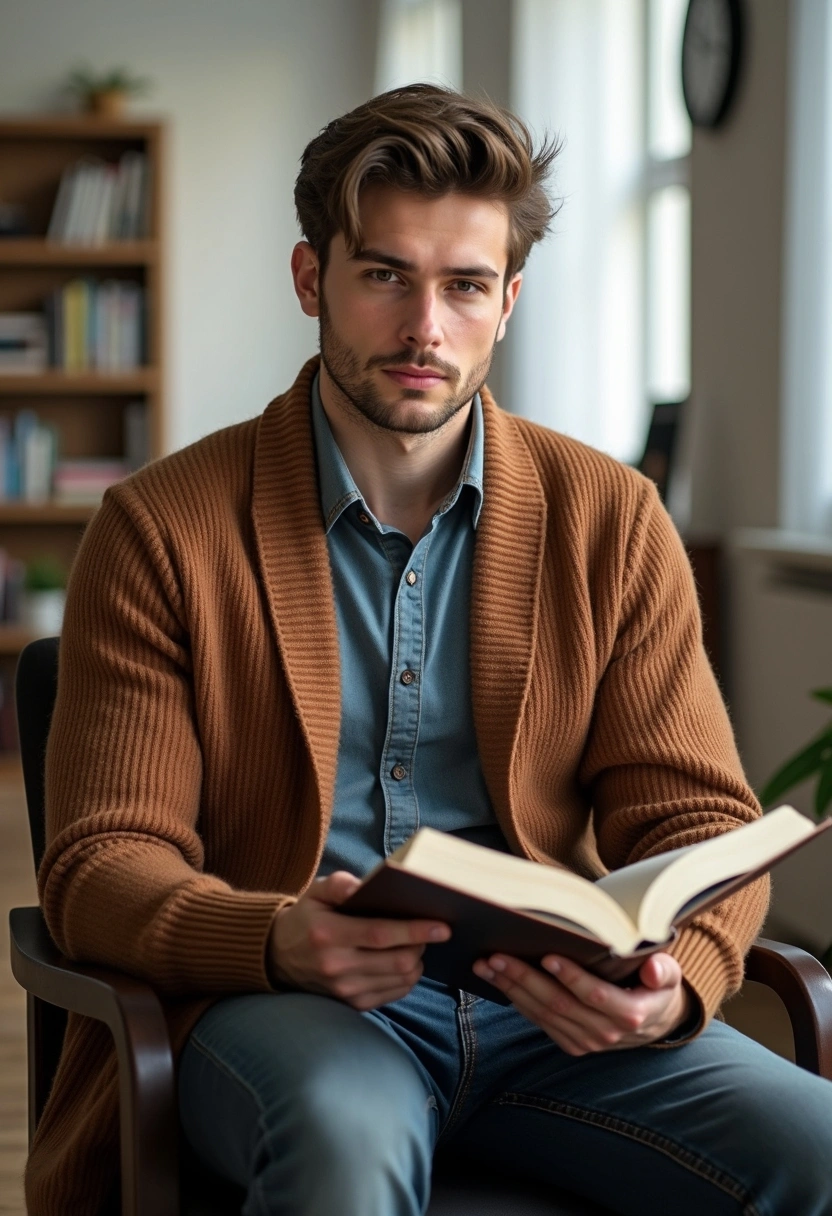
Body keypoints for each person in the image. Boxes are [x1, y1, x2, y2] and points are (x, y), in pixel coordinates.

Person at [28, 84, 832, 1216]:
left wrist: (673, 979)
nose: (424, 329)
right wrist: (276, 938)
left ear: (507, 300)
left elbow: (695, 819)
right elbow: (101, 864)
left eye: (462, 286)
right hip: (287, 1005)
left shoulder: (613, 519)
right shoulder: (162, 528)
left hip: (547, 1015)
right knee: (346, 1153)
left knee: (817, 1145)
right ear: (312, 280)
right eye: (383, 276)